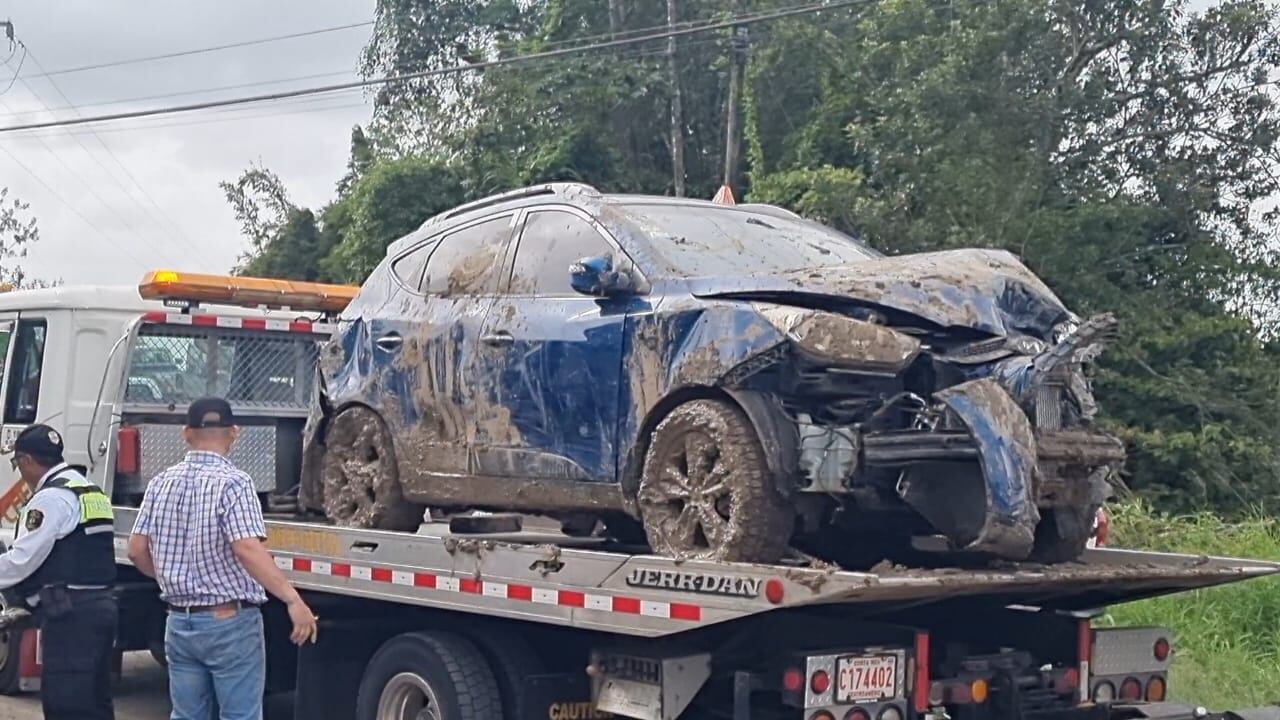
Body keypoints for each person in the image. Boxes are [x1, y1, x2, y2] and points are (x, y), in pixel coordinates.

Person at [128, 397, 318, 720]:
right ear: (234, 433)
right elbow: (247, 548)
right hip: (229, 623)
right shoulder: (235, 483)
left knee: (186, 714)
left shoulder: (160, 483)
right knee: (240, 715)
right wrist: (291, 599)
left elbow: (136, 549)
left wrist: (170, 579)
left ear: (186, 434)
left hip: (178, 620)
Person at [0, 424, 117, 720]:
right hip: (100, 608)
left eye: (17, 464)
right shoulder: (89, 490)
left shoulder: (50, 498)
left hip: (71, 616)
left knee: (66, 705)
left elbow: (22, 561)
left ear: (27, 460)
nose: (19, 473)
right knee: (95, 703)